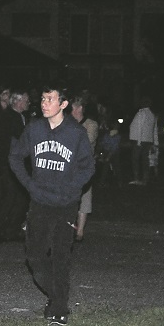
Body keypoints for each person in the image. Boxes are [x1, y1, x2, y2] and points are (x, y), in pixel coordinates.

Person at [8, 85, 95, 325]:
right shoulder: (34, 129)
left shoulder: (75, 133)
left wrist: (71, 188)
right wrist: (29, 185)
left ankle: (58, 308)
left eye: (50, 99)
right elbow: (15, 157)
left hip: (65, 204)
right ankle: (57, 295)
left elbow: (88, 167)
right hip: (39, 202)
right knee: (34, 256)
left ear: (63, 104)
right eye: (43, 99)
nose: (44, 103)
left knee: (60, 255)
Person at [0, 88, 30, 242]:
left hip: (14, 163)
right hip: (10, 163)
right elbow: (12, 141)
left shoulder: (18, 116)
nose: (28, 102)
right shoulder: (10, 117)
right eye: (26, 100)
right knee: (10, 197)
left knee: (18, 198)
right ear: (17, 101)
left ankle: (10, 230)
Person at [72, 96, 101, 240]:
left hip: (84, 167)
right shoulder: (67, 123)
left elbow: (87, 143)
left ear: (79, 108)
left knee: (84, 198)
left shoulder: (91, 124)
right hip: (70, 166)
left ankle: (80, 231)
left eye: (71, 108)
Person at [128, 97, 157, 185]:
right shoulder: (152, 114)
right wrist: (154, 142)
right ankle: (145, 179)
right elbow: (154, 129)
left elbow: (139, 127)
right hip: (147, 140)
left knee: (135, 159)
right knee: (145, 159)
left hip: (139, 139)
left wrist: (139, 141)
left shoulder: (141, 113)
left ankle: (136, 178)